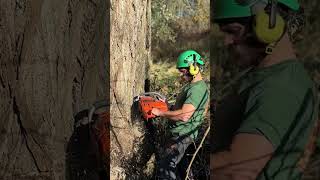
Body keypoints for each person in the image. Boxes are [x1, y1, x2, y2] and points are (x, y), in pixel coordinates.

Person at [211, 0, 319, 179]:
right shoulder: (265, 75)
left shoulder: (281, 88)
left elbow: (238, 170)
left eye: (233, 31)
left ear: (270, 25)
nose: (226, 42)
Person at [151, 50, 209, 180]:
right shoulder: (192, 86)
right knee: (183, 171)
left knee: (166, 169)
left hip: (182, 136)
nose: (181, 75)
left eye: (183, 71)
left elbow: (184, 115)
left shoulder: (197, 89)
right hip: (182, 134)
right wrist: (167, 106)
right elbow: (182, 109)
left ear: (193, 68)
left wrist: (160, 113)